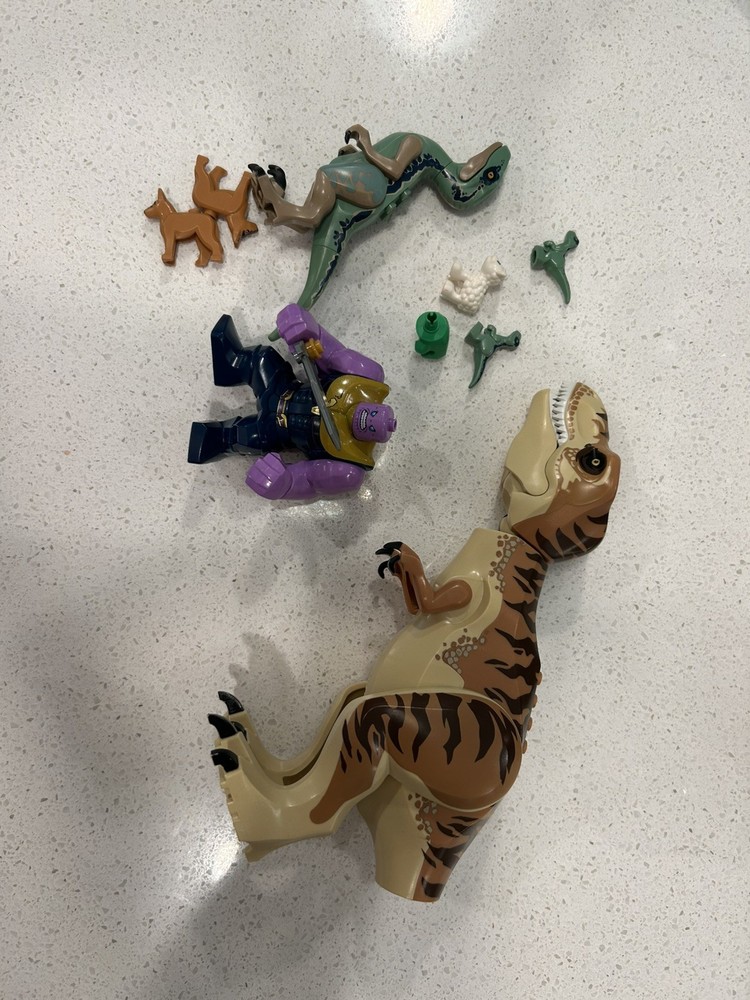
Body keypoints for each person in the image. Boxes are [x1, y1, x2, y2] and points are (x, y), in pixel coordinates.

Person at [188, 305, 396, 500]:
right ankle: (230, 363)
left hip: (274, 431)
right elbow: (331, 352)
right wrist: (307, 329)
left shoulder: (349, 469)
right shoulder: (366, 376)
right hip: (283, 387)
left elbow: (308, 480)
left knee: (238, 436)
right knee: (261, 358)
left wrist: (283, 485)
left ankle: (210, 439)